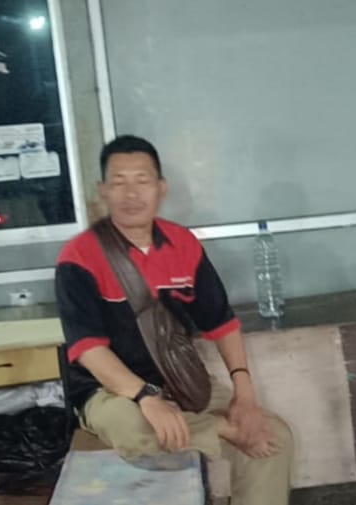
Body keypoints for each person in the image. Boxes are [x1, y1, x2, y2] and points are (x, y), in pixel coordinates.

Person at [55, 135, 293, 505]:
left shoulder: (183, 244)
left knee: (274, 437)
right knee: (134, 430)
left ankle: (222, 429)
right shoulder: (79, 257)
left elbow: (222, 324)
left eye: (142, 180)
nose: (131, 193)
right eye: (119, 182)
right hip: (109, 391)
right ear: (103, 191)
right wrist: (146, 397)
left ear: (161, 188)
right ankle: (222, 429)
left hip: (180, 379)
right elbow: (89, 350)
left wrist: (244, 394)